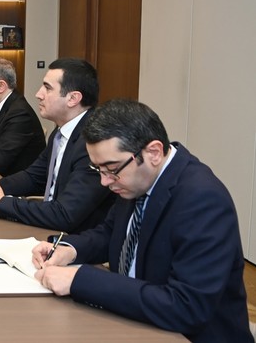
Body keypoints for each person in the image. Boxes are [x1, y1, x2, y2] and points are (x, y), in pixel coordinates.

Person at [32, 99, 251, 342]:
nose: (105, 181)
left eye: (111, 168)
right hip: (134, 321)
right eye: (99, 170)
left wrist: (80, 279)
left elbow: (187, 306)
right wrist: (69, 250)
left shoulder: (202, 200)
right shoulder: (137, 179)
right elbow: (111, 233)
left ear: (154, 153)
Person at [0, 58, 114, 232]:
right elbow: (34, 177)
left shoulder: (93, 143)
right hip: (48, 227)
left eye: (48, 88)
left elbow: (65, 214)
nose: (38, 94)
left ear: (73, 98)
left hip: (71, 241)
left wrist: (0, 202)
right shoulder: (60, 133)